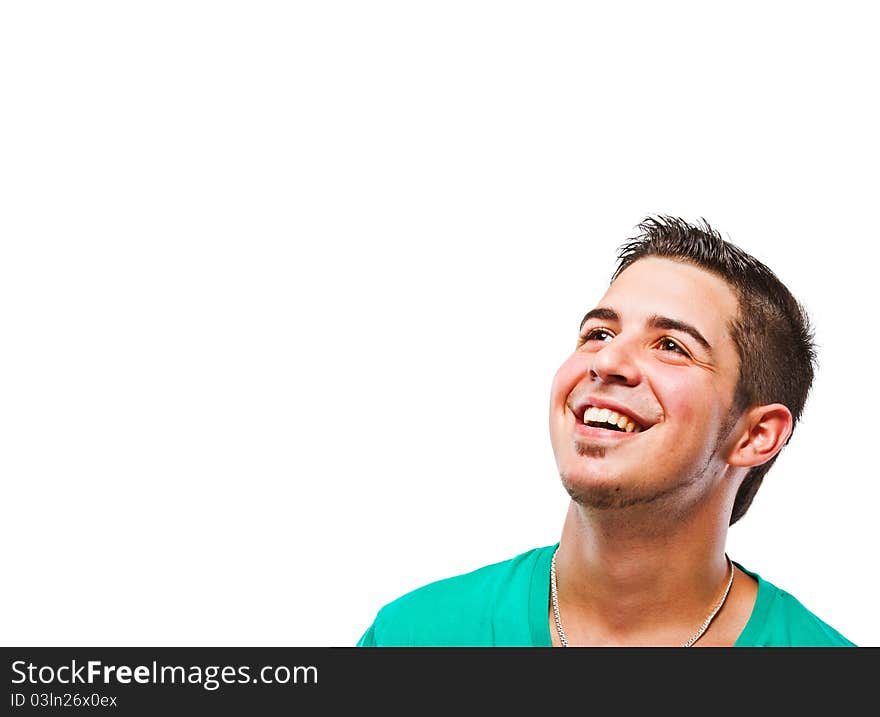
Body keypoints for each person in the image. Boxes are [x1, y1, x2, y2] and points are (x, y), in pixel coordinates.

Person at [357, 215, 855, 647]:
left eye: (671, 346)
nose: (609, 360)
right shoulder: (412, 636)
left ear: (755, 436)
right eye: (599, 333)